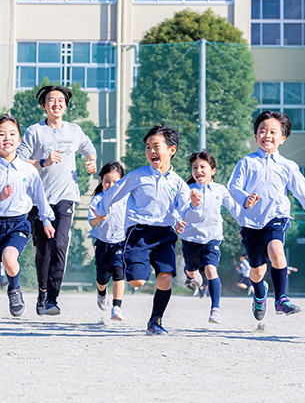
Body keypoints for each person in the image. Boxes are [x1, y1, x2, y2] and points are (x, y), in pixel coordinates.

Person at [91, 123, 199, 335]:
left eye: (156, 146)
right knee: (137, 281)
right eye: (148, 147)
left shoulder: (178, 183)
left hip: (164, 234)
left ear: (172, 150)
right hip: (138, 233)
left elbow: (185, 212)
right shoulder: (138, 176)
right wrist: (102, 209)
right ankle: (136, 262)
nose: (151, 151)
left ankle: (155, 321)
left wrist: (194, 205)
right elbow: (115, 192)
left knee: (165, 278)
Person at [228, 111, 305, 321]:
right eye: (262, 131)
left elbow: (300, 190)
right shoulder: (247, 162)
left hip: (276, 218)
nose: (267, 135)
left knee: (277, 250)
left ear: (282, 138)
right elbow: (233, 187)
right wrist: (245, 198)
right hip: (251, 223)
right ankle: (259, 294)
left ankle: (281, 299)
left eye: (273, 132)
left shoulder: (288, 166)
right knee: (257, 271)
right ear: (255, 136)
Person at [0, 114, 55, 339]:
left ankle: (14, 288)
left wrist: (47, 220)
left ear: (19, 140)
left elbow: (40, 197)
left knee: (10, 259)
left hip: (18, 223)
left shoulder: (29, 170)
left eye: (12, 134)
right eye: (1, 135)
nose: (7, 138)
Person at [18, 85, 97, 316]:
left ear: (66, 105)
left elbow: (89, 149)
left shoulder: (74, 131)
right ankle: (42, 292)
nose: (56, 104)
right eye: (51, 100)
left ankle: (53, 298)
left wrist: (91, 161)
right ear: (44, 106)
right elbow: (19, 160)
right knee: (43, 249)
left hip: (66, 197)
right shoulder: (34, 132)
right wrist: (43, 162)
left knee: (60, 244)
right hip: (38, 200)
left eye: (61, 100)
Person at [181, 151, 239, 324]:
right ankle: (192, 276)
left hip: (212, 238)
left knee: (211, 270)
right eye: (194, 167)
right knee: (191, 271)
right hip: (191, 239)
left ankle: (215, 309)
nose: (198, 170)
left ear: (212, 170)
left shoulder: (220, 190)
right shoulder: (187, 190)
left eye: (202, 167)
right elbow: (180, 212)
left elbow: (235, 209)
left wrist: (248, 218)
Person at [88, 161, 127, 321]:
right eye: (107, 182)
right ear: (102, 181)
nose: (111, 185)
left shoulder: (127, 198)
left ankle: (117, 307)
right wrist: (99, 218)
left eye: (115, 182)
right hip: (102, 242)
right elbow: (92, 222)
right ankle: (101, 292)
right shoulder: (98, 200)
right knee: (102, 276)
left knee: (119, 272)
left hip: (121, 241)